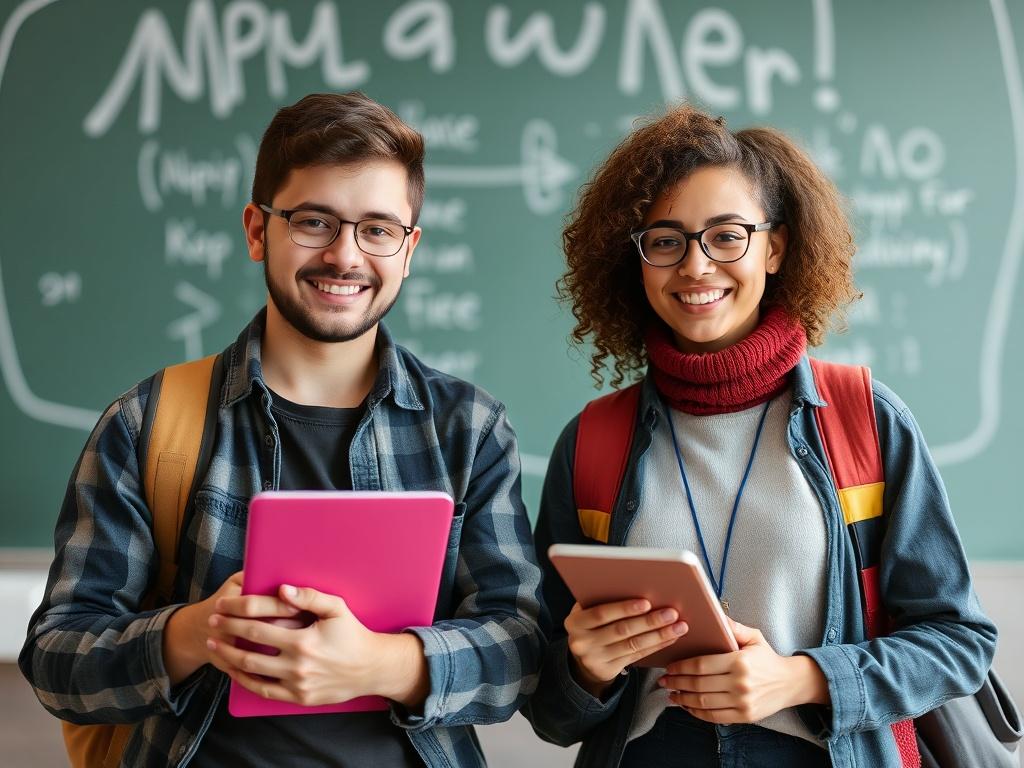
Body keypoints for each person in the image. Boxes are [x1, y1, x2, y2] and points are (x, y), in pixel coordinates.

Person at [20, 91, 544, 768]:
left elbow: (522, 648)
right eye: (314, 221)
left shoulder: (468, 428)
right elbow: (56, 659)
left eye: (378, 229)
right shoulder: (147, 423)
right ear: (256, 230)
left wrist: (381, 663)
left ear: (409, 250)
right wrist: (192, 633)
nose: (345, 256)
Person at [522, 103, 997, 767]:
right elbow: (548, 710)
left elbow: (959, 642)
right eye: (665, 240)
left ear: (774, 248)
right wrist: (584, 670)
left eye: (727, 236)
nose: (695, 266)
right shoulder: (593, 442)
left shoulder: (864, 420)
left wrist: (803, 679)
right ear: (637, 261)